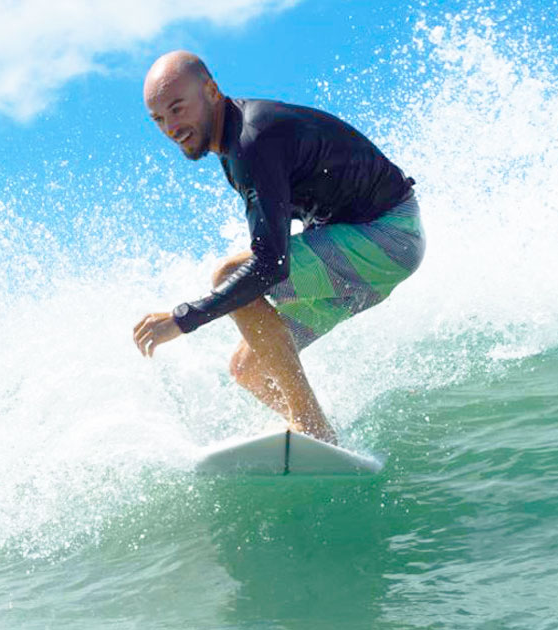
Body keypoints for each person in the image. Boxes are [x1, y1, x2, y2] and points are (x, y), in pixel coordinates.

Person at [132, 51, 425, 445]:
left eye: (177, 108)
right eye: (159, 119)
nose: (171, 126)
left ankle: (311, 423)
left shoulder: (253, 139)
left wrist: (183, 319)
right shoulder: (234, 145)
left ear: (211, 90)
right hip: (359, 258)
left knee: (229, 276)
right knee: (249, 368)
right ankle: (322, 442)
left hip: (387, 237)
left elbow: (272, 264)